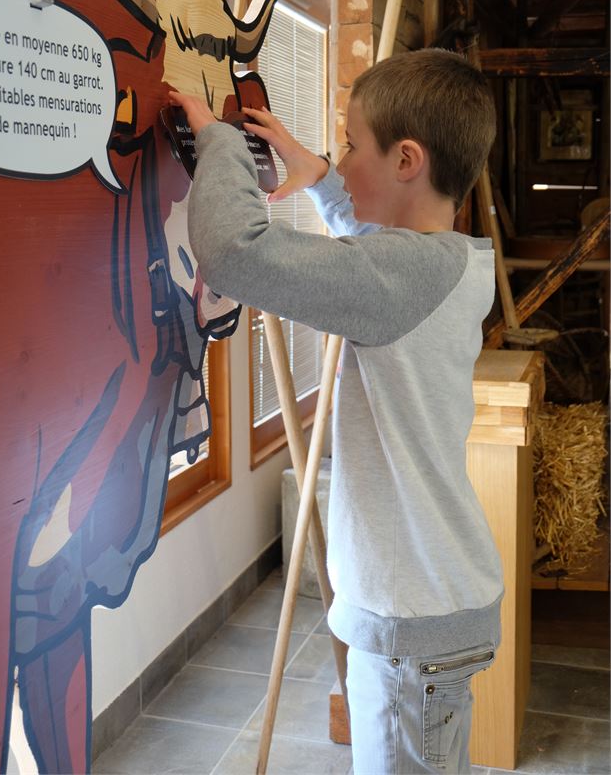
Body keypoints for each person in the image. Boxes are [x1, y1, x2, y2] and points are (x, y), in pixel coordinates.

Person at [169, 47, 504, 775]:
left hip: (413, 624)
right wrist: (320, 178)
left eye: (351, 145)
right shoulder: (447, 260)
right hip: (425, 605)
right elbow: (367, 251)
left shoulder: (398, 277)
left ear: (407, 159)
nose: (339, 159)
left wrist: (217, 140)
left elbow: (233, 250)